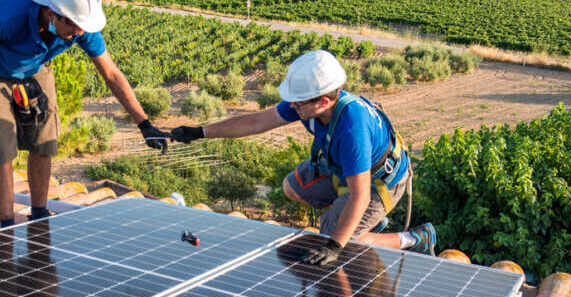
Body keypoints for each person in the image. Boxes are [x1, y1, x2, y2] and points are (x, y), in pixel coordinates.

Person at [169, 50, 437, 266]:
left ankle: (412, 238)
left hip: (378, 183)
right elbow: (256, 121)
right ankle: (350, 220)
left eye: (298, 103)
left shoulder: (352, 129)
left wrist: (334, 245)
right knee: (291, 187)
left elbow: (361, 195)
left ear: (322, 101)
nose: (292, 107)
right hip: (341, 169)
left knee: (338, 238)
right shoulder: (309, 104)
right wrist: (200, 132)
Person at [0, 0, 168, 226]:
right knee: (1, 145)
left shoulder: (80, 24)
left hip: (32, 68)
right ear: (53, 13)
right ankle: (7, 225)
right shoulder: (9, 11)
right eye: (74, 27)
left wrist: (144, 124)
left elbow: (111, 74)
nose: (79, 34)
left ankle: (39, 214)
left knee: (45, 139)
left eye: (82, 28)